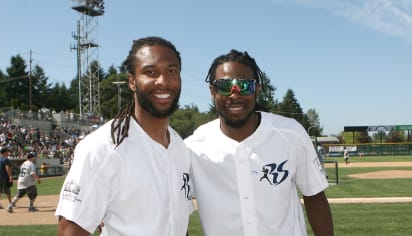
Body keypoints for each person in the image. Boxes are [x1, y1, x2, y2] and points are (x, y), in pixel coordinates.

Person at [185, 49, 334, 236]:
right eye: (224, 86)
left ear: (257, 89)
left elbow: (314, 196)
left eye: (245, 85)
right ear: (212, 91)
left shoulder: (290, 133)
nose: (235, 93)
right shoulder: (193, 147)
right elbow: (177, 212)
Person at [56, 36, 192, 235]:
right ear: (132, 81)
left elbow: (178, 224)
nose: (163, 81)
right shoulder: (103, 147)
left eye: (172, 71)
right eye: (150, 72)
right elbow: (70, 230)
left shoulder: (179, 147)